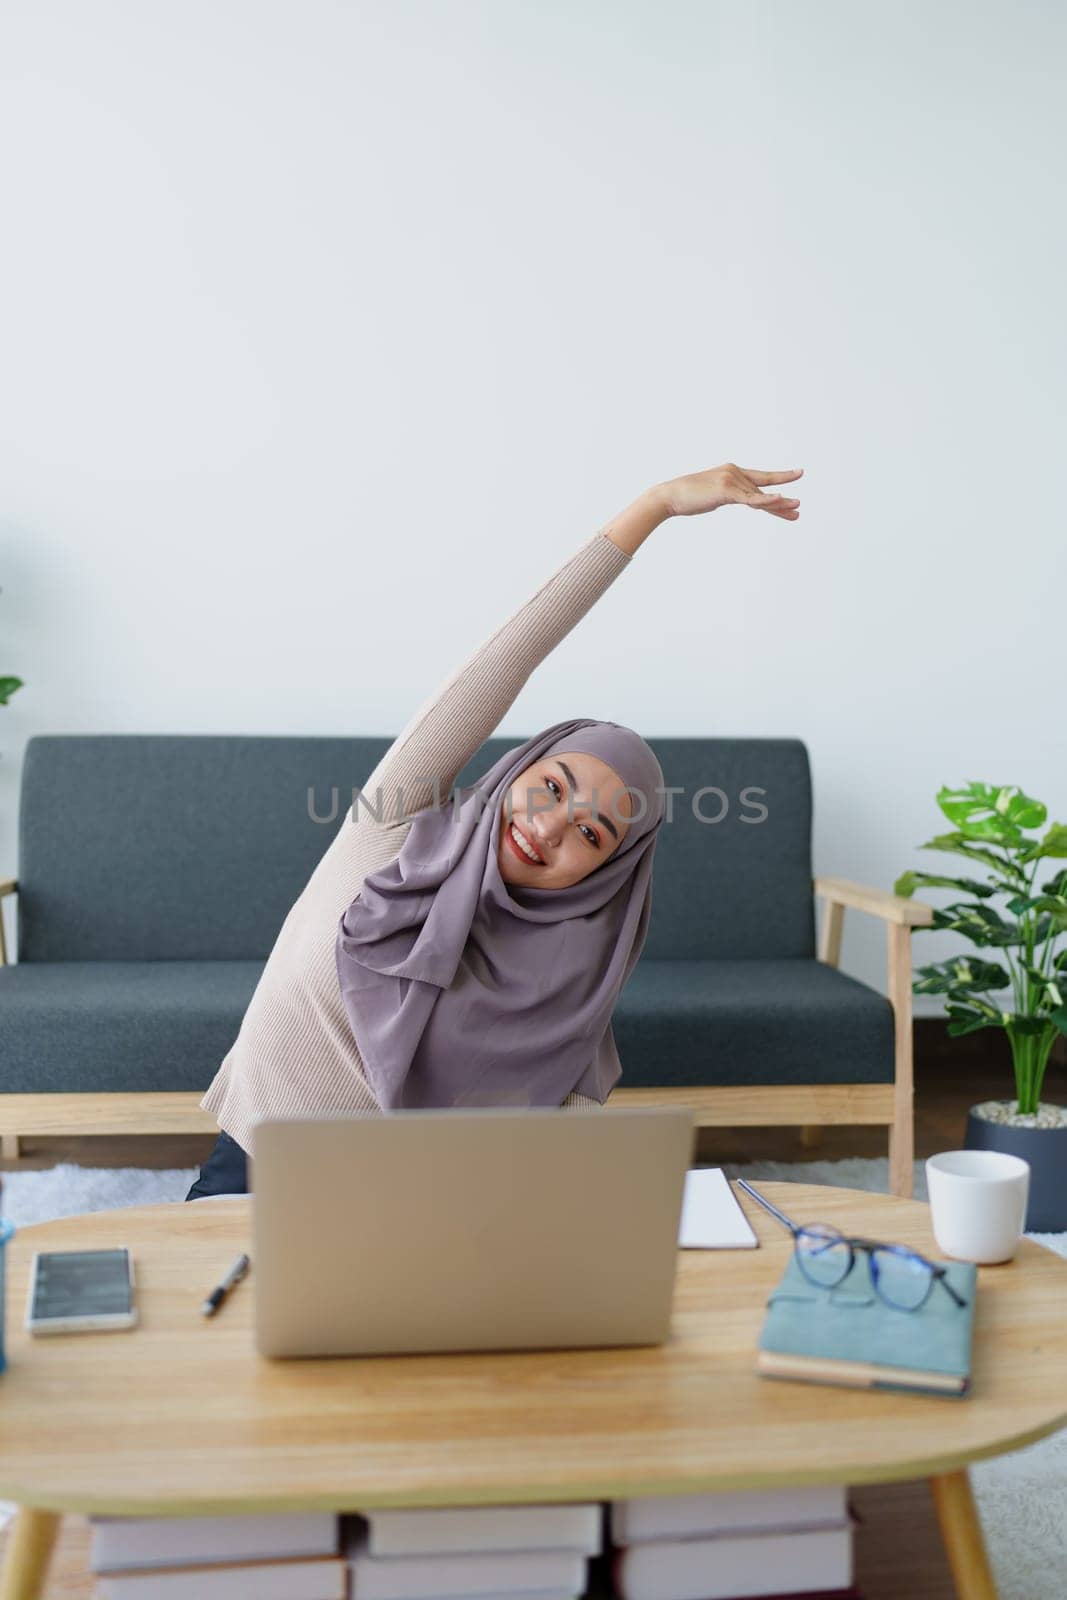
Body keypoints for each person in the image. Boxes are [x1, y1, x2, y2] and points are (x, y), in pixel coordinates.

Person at [186, 462, 802, 1199]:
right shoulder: (388, 835)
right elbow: (503, 662)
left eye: (592, 834)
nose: (547, 829)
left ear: (607, 873)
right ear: (514, 772)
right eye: (549, 787)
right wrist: (654, 507)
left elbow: (543, 1148)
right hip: (257, 1171)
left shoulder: (577, 963)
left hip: (430, 1210)